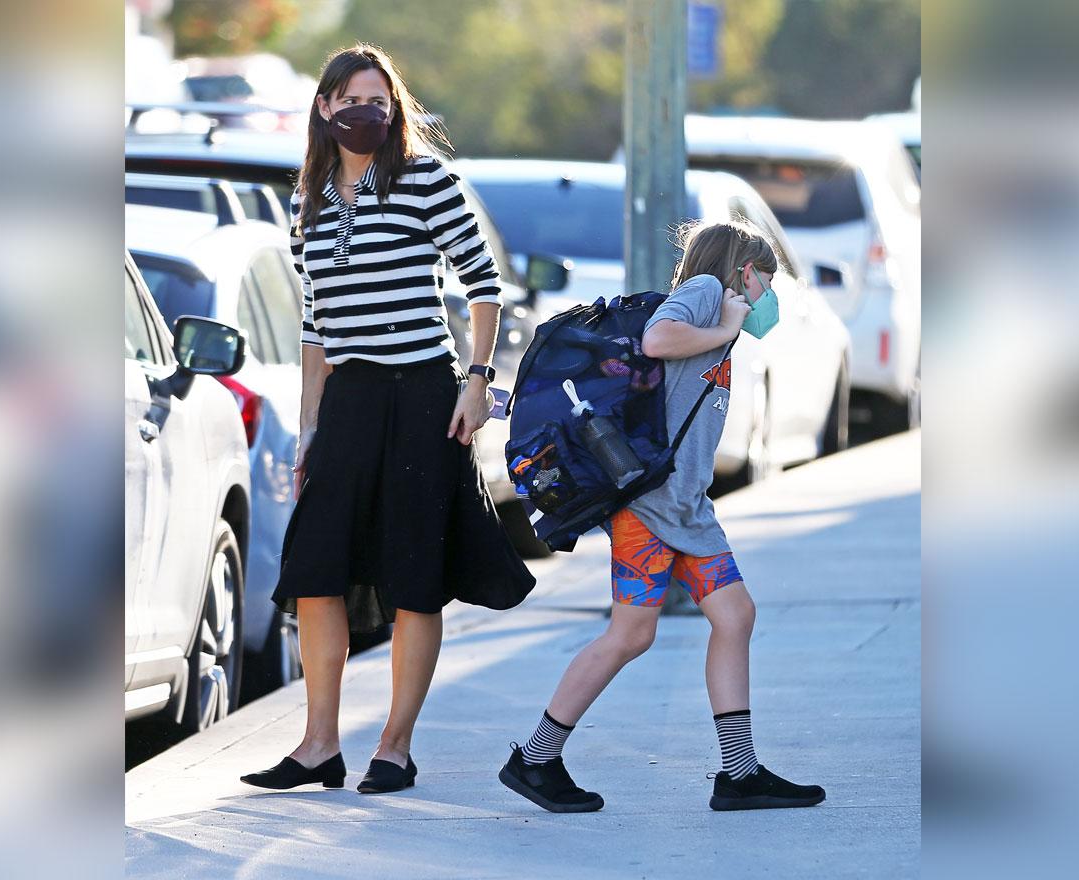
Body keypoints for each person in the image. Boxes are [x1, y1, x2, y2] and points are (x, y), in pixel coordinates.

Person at [241, 44, 535, 795]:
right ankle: (317, 747)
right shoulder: (307, 196)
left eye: (376, 100)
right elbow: (315, 325)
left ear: (394, 108)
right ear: (324, 109)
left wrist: (477, 381)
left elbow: (483, 281)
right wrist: (309, 428)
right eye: (348, 100)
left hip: (423, 396)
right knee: (315, 570)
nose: (362, 113)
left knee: (414, 576)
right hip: (350, 401)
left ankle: (395, 749)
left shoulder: (426, 181)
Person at [497, 220, 826, 812]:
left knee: (734, 615)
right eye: (766, 283)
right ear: (744, 272)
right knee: (630, 635)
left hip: (685, 507)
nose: (767, 299)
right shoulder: (706, 291)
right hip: (651, 508)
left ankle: (739, 772)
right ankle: (535, 758)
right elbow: (657, 339)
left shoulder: (719, 316)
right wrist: (727, 319)